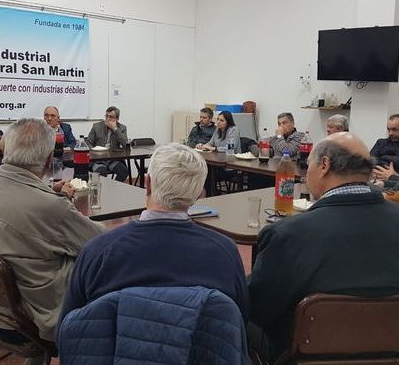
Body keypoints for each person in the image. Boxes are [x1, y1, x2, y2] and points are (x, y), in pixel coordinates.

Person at [58, 143, 249, 328]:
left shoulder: (97, 251)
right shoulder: (225, 253)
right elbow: (239, 324)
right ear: (199, 193)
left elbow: (67, 330)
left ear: (147, 183)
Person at [247, 132, 399, 362]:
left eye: (308, 165)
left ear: (324, 165)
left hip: (302, 354)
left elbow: (261, 310)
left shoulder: (288, 234)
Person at [0, 118, 104, 347]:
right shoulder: (50, 207)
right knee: (105, 264)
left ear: (6, 149)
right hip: (31, 322)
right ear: (49, 159)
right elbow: (102, 243)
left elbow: (20, 205)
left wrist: (47, 192)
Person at [87, 106, 128, 181]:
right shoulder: (96, 126)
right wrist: (94, 151)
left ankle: (114, 187)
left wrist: (115, 129)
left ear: (117, 119)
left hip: (113, 160)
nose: (108, 119)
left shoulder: (122, 128)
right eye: (106, 116)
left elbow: (125, 144)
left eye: (111, 117)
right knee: (101, 172)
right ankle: (102, 188)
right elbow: (88, 142)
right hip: (98, 160)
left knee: (123, 172)